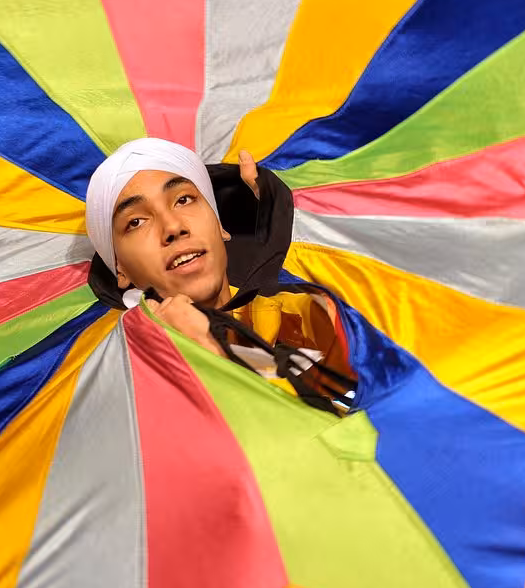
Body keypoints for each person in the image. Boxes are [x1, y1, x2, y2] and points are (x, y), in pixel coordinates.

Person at [85, 137, 355, 406]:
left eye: (183, 199)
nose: (172, 227)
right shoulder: (116, 383)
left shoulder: (305, 313)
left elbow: (377, 405)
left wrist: (289, 211)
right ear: (121, 270)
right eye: (136, 221)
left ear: (220, 224)